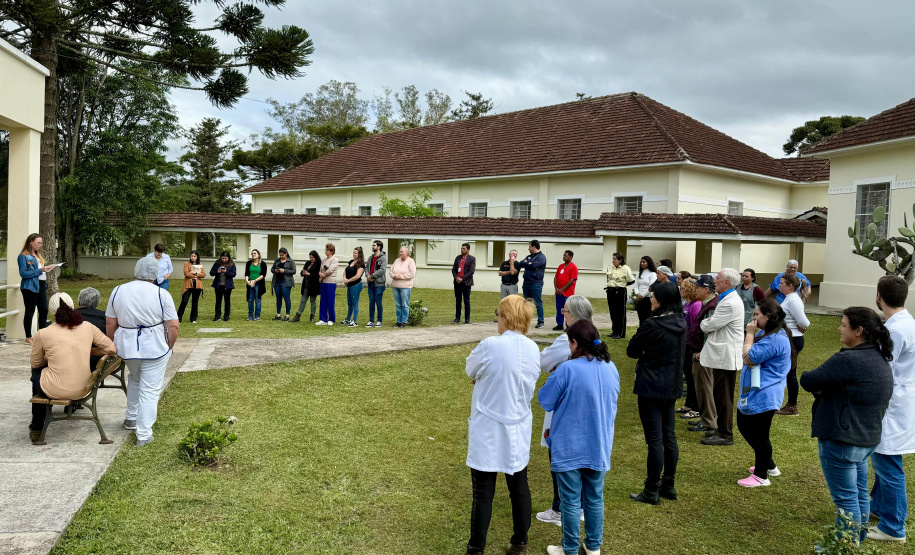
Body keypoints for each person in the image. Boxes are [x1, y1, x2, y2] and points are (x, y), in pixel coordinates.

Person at [800, 307, 894, 544]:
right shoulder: (878, 355)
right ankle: (856, 539)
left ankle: (845, 545)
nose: (839, 328)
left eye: (843, 324)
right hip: (866, 437)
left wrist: (827, 389)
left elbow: (808, 379)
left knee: (845, 497)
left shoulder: (848, 359)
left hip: (843, 439)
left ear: (859, 330)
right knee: (859, 492)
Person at [464, 295, 540, 555]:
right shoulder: (533, 349)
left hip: (490, 425)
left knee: (484, 491)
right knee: (519, 486)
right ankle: (519, 543)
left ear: (505, 317)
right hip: (518, 424)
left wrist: (482, 377)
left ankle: (476, 548)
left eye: (498, 314)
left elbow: (470, 369)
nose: (497, 319)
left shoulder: (490, 345)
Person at [539, 320, 620, 555]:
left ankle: (570, 548)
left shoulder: (566, 369)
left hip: (569, 444)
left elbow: (545, 399)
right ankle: (593, 546)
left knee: (571, 500)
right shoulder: (610, 367)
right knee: (594, 498)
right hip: (599, 443)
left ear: (574, 343)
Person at [106, 257, 180, 447]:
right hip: (154, 345)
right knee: (150, 389)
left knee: (135, 378)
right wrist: (169, 345)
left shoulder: (118, 290)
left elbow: (110, 323)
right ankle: (144, 434)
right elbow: (173, 326)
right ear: (155, 275)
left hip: (127, 346)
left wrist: (114, 343)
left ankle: (131, 417)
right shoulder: (161, 294)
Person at [536, 295, 594, 526]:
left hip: (565, 404)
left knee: (558, 453)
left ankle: (560, 507)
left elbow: (543, 362)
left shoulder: (566, 339)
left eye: (565, 311)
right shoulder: (593, 336)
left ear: (573, 314)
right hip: (588, 406)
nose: (563, 315)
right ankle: (579, 505)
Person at [626, 281, 686, 505]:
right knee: (668, 436)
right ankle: (668, 485)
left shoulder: (653, 324)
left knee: (655, 440)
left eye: (653, 296)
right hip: (670, 386)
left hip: (651, 386)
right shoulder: (681, 322)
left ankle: (651, 490)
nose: (650, 299)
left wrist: (647, 351)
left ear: (661, 300)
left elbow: (632, 350)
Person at [28, 293, 117, 442]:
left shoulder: (43, 333)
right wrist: (85, 350)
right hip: (84, 387)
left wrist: (50, 358)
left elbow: (35, 363)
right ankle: (39, 425)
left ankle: (37, 427)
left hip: (54, 389)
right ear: (72, 306)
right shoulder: (88, 327)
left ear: (51, 311)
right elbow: (111, 349)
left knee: (35, 372)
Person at [869, 276, 915, 542]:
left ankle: (893, 527)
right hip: (901, 400)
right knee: (884, 458)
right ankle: (878, 507)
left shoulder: (896, 330)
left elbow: (883, 370)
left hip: (893, 404)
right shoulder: (906, 323)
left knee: (887, 463)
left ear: (878, 296)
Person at [735, 299, 792, 487]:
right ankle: (769, 465)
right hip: (757, 391)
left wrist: (749, 334)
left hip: (765, 394)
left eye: (756, 314)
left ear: (768, 316)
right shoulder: (768, 333)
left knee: (757, 434)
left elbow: (748, 356)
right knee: (750, 428)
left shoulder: (775, 339)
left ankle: (761, 476)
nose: (753, 317)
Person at [698, 268, 744, 446]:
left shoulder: (729, 302)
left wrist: (705, 322)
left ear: (726, 282)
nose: (714, 282)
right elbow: (712, 323)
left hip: (726, 356)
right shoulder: (728, 299)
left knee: (723, 396)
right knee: (720, 394)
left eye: (717, 279)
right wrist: (708, 322)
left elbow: (710, 325)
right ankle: (721, 430)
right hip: (723, 355)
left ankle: (725, 433)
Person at [686, 275, 719, 435]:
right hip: (700, 353)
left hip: (703, 355)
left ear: (706, 289)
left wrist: (702, 353)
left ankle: (709, 423)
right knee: (702, 388)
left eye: (697, 287)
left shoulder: (711, 306)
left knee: (705, 389)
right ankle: (705, 418)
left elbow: (710, 333)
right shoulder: (708, 304)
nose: (695, 289)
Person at [776, 273, 810, 416]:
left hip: (793, 339)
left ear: (790, 286)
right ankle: (790, 404)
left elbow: (804, 322)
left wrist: (800, 326)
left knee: (790, 373)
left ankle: (792, 406)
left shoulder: (793, 301)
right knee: (789, 372)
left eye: (782, 283)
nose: (779, 285)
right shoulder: (790, 299)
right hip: (790, 338)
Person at [18, 233, 54, 342]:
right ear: (31, 243)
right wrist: (40, 270)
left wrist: (48, 269)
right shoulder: (23, 256)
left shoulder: (38, 256)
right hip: (29, 287)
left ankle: (42, 335)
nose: (40, 245)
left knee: (43, 309)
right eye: (38, 243)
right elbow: (23, 273)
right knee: (30, 311)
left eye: (41, 243)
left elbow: (40, 271)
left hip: (41, 285)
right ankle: (28, 337)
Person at [677, 279, 701, 419]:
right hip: (685, 345)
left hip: (691, 346)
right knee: (688, 374)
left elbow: (695, 327)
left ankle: (696, 407)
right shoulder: (687, 304)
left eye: (683, 287)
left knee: (693, 377)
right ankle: (688, 404)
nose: (680, 289)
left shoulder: (695, 305)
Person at [517, 240, 548, 329]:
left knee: (538, 302)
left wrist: (528, 264)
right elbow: (521, 263)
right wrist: (528, 263)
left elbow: (534, 266)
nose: (528, 248)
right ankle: (526, 321)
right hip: (526, 283)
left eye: (529, 246)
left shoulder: (541, 257)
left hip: (536, 283)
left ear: (534, 247)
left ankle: (541, 321)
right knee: (526, 303)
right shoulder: (529, 256)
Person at [605, 252, 634, 339]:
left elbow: (631, 280)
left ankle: (621, 333)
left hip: (620, 291)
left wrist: (622, 285)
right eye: (612, 259)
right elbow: (608, 279)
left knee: (620, 313)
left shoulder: (626, 268)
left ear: (620, 260)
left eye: (615, 259)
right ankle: (614, 331)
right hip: (611, 291)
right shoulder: (610, 267)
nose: (613, 261)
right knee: (612, 312)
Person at [390, 246, 416, 328]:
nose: (400, 253)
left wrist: (400, 277)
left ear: (407, 253)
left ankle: (404, 321)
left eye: (402, 252)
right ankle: (398, 321)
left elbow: (412, 274)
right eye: (400, 251)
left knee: (404, 304)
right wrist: (393, 276)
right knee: (398, 304)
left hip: (405, 286)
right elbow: (391, 271)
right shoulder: (397, 260)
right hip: (395, 286)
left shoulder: (410, 261)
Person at [292, 250, 320, 323]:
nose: (311, 259)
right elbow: (303, 272)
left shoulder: (318, 264)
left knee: (312, 301)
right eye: (310, 257)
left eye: (312, 257)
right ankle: (298, 315)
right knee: (303, 301)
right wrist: (303, 272)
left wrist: (309, 274)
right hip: (306, 285)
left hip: (313, 286)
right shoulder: (307, 263)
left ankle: (312, 316)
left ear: (316, 257)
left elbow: (317, 275)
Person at [553, 250, 579, 331]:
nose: (563, 257)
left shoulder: (573, 267)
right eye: (563, 255)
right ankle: (559, 324)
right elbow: (556, 277)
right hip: (558, 292)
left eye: (565, 255)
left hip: (567, 292)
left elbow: (572, 280)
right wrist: (556, 288)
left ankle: (569, 325)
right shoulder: (561, 266)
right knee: (559, 308)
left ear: (570, 257)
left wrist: (562, 289)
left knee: (567, 309)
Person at [177, 250, 205, 323]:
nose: (193, 257)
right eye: (192, 256)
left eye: (194, 256)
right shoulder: (186, 264)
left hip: (197, 285)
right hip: (188, 285)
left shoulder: (200, 264)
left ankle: (193, 318)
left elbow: (203, 275)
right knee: (184, 301)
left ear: (197, 257)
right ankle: (178, 318)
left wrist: (196, 273)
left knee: (195, 302)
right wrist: (196, 274)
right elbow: (186, 274)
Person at [452, 243, 476, 325]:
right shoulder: (458, 258)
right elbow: (453, 269)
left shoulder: (472, 259)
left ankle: (467, 319)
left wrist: (462, 278)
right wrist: (456, 277)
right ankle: (457, 318)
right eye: (461, 248)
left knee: (466, 301)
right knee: (458, 300)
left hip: (466, 283)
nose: (462, 250)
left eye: (464, 249)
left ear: (468, 250)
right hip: (457, 283)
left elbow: (471, 271)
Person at [210, 251, 237, 322]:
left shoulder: (232, 264)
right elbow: (211, 272)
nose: (224, 260)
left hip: (227, 286)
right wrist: (217, 272)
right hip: (218, 285)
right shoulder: (217, 263)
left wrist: (226, 272)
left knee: (227, 301)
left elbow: (233, 274)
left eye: (225, 258)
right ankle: (217, 316)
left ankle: (226, 316)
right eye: (223, 258)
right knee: (218, 301)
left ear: (228, 258)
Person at [365, 241, 387, 327]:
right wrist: (367, 276)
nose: (372, 246)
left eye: (374, 245)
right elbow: (366, 267)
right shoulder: (371, 257)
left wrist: (372, 276)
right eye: (372, 245)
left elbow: (382, 270)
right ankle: (371, 320)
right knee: (371, 302)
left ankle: (379, 320)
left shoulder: (383, 257)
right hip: (371, 284)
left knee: (378, 302)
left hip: (379, 284)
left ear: (379, 247)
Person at [342, 246, 366, 327]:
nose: (354, 254)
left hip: (356, 285)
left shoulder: (361, 264)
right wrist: (345, 278)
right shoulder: (351, 261)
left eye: (355, 253)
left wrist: (348, 280)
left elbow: (358, 276)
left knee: (355, 303)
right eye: (353, 253)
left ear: (359, 254)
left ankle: (354, 321)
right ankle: (348, 319)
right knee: (350, 303)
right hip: (349, 285)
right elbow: (345, 271)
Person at [271, 247, 296, 321]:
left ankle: (287, 315)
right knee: (278, 298)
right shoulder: (277, 260)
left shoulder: (290, 261)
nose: (281, 257)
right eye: (280, 255)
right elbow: (272, 269)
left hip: (286, 282)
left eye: (282, 255)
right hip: (277, 281)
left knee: (286, 298)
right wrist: (276, 270)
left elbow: (294, 271)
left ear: (286, 254)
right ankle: (278, 314)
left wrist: (284, 271)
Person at [317, 243, 339, 325]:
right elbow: (320, 269)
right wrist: (320, 274)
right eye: (325, 250)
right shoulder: (323, 260)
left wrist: (324, 274)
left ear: (332, 251)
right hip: (323, 281)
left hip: (330, 282)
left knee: (330, 300)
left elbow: (331, 269)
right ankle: (323, 319)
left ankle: (331, 319)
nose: (326, 251)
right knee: (323, 300)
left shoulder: (334, 259)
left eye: (328, 250)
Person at [245, 249, 268, 321]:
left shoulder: (263, 264)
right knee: (250, 299)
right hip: (250, 283)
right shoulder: (248, 263)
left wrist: (255, 281)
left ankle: (257, 316)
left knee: (257, 300)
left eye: (255, 253)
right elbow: (246, 273)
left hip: (258, 283)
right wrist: (247, 281)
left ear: (259, 255)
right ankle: (250, 316)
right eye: (252, 253)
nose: (253, 255)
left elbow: (263, 275)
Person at [634, 256, 658, 325]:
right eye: (641, 262)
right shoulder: (639, 274)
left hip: (647, 299)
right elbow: (636, 286)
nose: (642, 263)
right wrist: (637, 294)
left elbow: (651, 287)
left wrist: (642, 296)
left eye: (644, 262)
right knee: (641, 318)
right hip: (639, 299)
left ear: (649, 263)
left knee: (646, 318)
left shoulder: (652, 274)